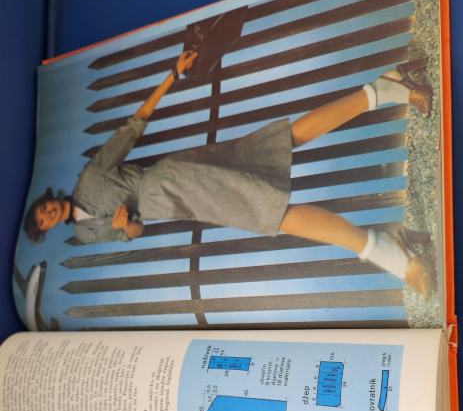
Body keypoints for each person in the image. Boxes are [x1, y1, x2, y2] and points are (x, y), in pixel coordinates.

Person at [24, 50, 432, 296]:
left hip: (174, 178)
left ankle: (383, 249)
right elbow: (135, 231)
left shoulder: (89, 176)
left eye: (43, 210)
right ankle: (385, 88)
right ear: (50, 228)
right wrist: (124, 225)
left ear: (47, 200)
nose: (48, 215)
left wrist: (172, 75)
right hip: (178, 204)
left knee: (272, 215)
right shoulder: (85, 234)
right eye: (44, 222)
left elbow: (134, 126)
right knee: (283, 142)